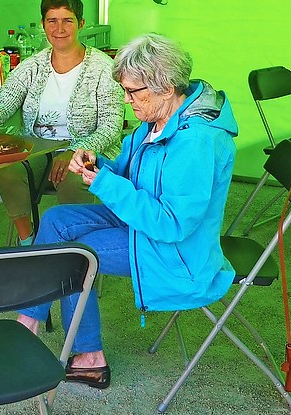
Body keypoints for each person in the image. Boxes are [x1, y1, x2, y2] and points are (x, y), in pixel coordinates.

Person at [17, 33, 238, 389]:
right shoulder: (158, 119)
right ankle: (29, 321)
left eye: (133, 92)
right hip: (143, 223)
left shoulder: (196, 141)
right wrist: (99, 166)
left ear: (165, 87)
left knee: (76, 256)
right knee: (57, 221)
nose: (126, 100)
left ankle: (89, 357)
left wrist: (105, 184)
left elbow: (172, 224)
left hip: (176, 252)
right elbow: (130, 171)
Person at [0, 0, 124, 244]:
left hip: (89, 152)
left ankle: (74, 250)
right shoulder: (33, 66)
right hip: (39, 150)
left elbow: (111, 125)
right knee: (9, 169)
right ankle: (29, 241)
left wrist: (77, 151)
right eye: (52, 21)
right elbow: (4, 103)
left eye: (67, 21)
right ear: (43, 23)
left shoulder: (104, 69)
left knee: (74, 178)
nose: (59, 29)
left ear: (81, 24)